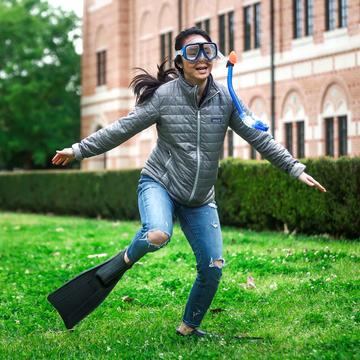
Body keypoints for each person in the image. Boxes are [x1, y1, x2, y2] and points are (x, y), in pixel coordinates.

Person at [51, 27, 326, 336]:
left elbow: (259, 137)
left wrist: (294, 168)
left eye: (208, 51)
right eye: (193, 53)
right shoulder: (163, 98)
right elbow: (121, 129)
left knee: (213, 268)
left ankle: (188, 329)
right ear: (180, 61)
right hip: (160, 184)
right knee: (157, 233)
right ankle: (124, 260)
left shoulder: (226, 98)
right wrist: (78, 150)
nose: (202, 59)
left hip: (200, 198)